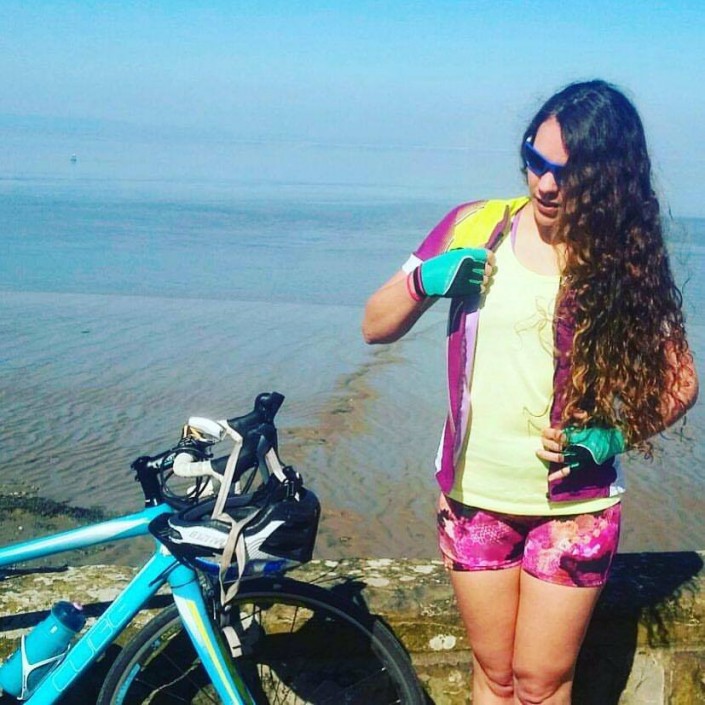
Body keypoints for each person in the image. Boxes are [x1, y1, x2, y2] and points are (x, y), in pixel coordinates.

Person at [362, 79, 698, 704]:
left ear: (608, 179)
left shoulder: (618, 256)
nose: (544, 184)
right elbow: (374, 326)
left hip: (576, 508)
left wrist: (614, 435)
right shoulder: (473, 225)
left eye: (567, 174)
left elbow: (680, 381)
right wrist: (425, 281)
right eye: (535, 161)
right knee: (494, 677)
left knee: (541, 684)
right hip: (473, 497)